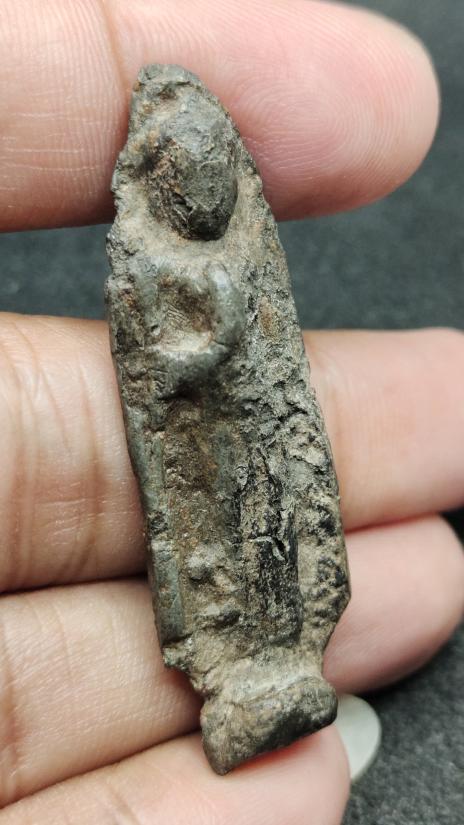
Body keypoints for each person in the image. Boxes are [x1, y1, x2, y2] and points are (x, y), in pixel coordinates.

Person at [0, 1, 462, 822]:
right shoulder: (150, 259)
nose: (207, 193)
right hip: (201, 438)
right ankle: (242, 664)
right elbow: (174, 357)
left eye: (217, 174)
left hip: (260, 431)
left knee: (270, 531)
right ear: (164, 184)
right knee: (222, 538)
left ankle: (279, 652)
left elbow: (242, 341)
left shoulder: (233, 254)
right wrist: (193, 358)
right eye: (190, 178)